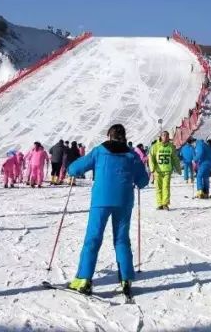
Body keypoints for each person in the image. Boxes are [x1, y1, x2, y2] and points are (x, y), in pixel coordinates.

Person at [65, 124, 149, 297]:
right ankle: (126, 278)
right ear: (124, 136)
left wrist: (70, 169)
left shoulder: (99, 151)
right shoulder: (131, 154)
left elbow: (75, 168)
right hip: (124, 200)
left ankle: (84, 279)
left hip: (101, 200)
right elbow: (143, 181)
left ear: (109, 136)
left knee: (93, 238)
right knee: (121, 239)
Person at [149, 130, 178, 209]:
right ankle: (159, 204)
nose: (165, 137)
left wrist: (178, 168)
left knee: (166, 187)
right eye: (164, 135)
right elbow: (151, 158)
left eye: (167, 136)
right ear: (161, 137)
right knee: (158, 188)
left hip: (167, 170)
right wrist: (152, 168)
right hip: (158, 171)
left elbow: (175, 158)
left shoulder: (171, 146)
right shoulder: (155, 147)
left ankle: (165, 203)